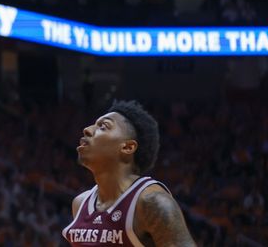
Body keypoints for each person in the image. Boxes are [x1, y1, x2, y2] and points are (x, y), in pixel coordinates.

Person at [64, 100, 196, 246]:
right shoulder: (80, 203)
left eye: (103, 126)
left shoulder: (152, 202)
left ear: (127, 147)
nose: (87, 130)